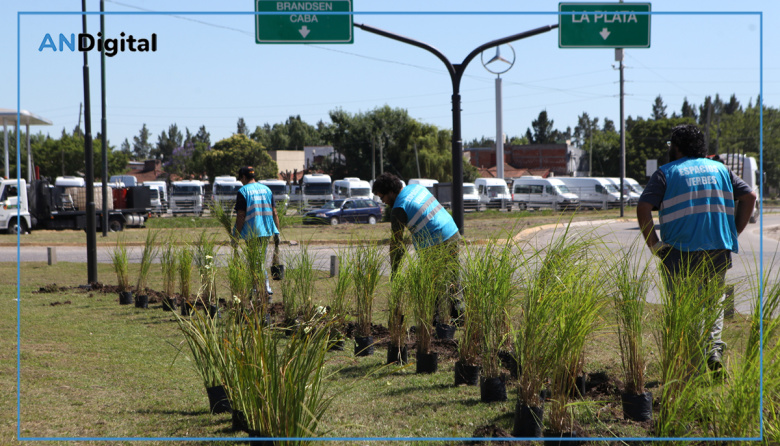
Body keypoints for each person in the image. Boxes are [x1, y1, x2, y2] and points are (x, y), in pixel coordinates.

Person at [636, 124, 757, 372]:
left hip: (678, 251)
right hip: (717, 248)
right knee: (714, 303)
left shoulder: (666, 173)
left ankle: (690, 362)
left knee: (683, 306)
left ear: (677, 147)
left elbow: (643, 207)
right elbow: (750, 197)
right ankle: (713, 353)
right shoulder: (721, 170)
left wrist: (655, 246)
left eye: (671, 145)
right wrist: (733, 232)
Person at [371, 172, 462, 322]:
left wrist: (395, 272)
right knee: (453, 275)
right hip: (451, 231)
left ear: (391, 192)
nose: (383, 202)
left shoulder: (399, 208)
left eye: (383, 197)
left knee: (431, 280)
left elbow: (397, 245)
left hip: (434, 241)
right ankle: (459, 314)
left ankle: (436, 319)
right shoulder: (415, 188)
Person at [233, 166, 281, 301]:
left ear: (243, 177)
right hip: (266, 230)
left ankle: (265, 289)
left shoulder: (243, 191)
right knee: (258, 260)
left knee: (257, 261)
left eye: (240, 179)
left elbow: (241, 215)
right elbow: (274, 212)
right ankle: (256, 288)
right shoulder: (267, 190)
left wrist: (236, 236)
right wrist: (277, 232)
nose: (241, 181)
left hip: (252, 231)